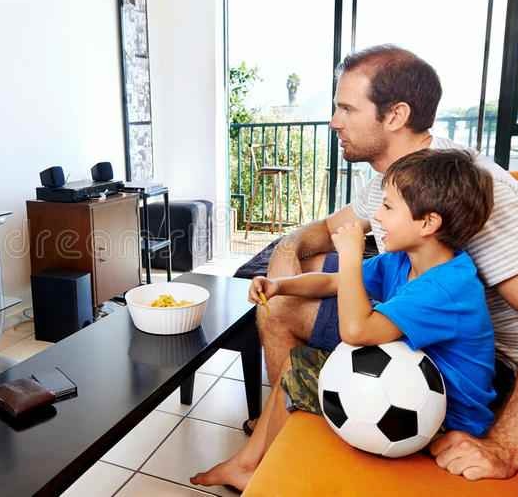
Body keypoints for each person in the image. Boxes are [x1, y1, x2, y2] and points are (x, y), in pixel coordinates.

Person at [243, 45, 518, 481]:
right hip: (425, 330)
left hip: (484, 369)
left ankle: (289, 442)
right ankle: (281, 447)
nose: (333, 122)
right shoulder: (398, 180)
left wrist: (505, 446)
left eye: (346, 108)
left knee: (294, 309)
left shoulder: (473, 194)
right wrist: (285, 253)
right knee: (282, 301)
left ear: (395, 116)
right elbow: (331, 228)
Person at [191, 149, 496, 491]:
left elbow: (356, 330)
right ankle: (246, 465)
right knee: (296, 364)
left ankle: (267, 472)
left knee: (302, 373)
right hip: (410, 387)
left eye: (388, 206)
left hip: (445, 419)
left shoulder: (447, 287)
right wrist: (279, 286)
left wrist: (350, 254)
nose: (376, 216)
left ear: (428, 223)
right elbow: (332, 282)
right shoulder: (403, 260)